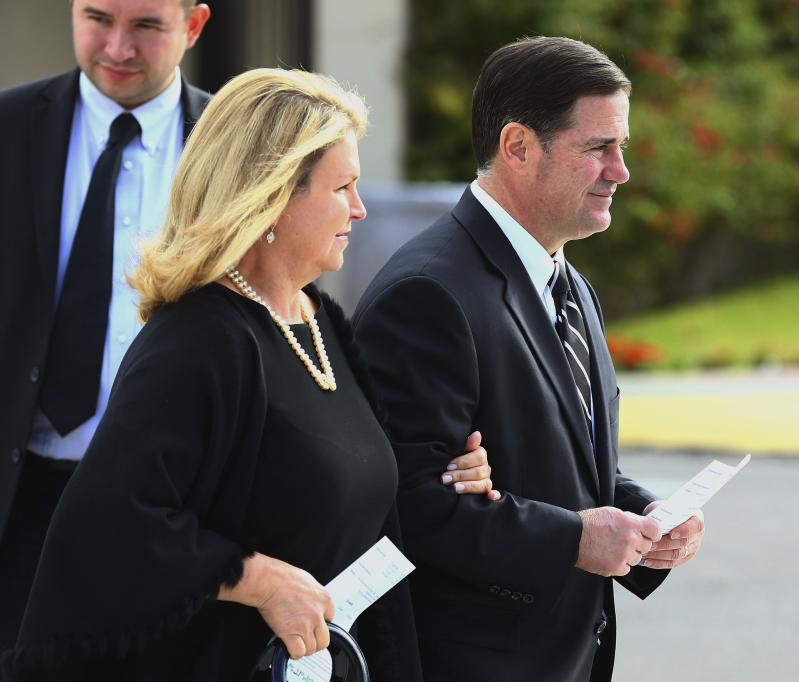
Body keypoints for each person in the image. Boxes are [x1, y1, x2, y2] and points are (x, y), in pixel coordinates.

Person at [0, 68, 498, 682]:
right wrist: (256, 579)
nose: (361, 209)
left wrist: (448, 472)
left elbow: (352, 484)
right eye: (342, 187)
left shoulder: (322, 321)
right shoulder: (198, 340)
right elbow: (113, 523)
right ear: (270, 197)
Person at [353, 36, 706, 682]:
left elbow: (566, 464)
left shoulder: (570, 284)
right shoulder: (428, 295)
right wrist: (575, 538)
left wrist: (645, 517)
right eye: (599, 148)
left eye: (620, 147)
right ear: (518, 147)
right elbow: (407, 508)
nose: (620, 171)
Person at [0, 0, 211, 647]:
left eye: (146, 25)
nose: (118, 47)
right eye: (98, 18)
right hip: (23, 497)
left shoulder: (234, 144)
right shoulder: (8, 126)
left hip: (178, 509)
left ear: (194, 26)